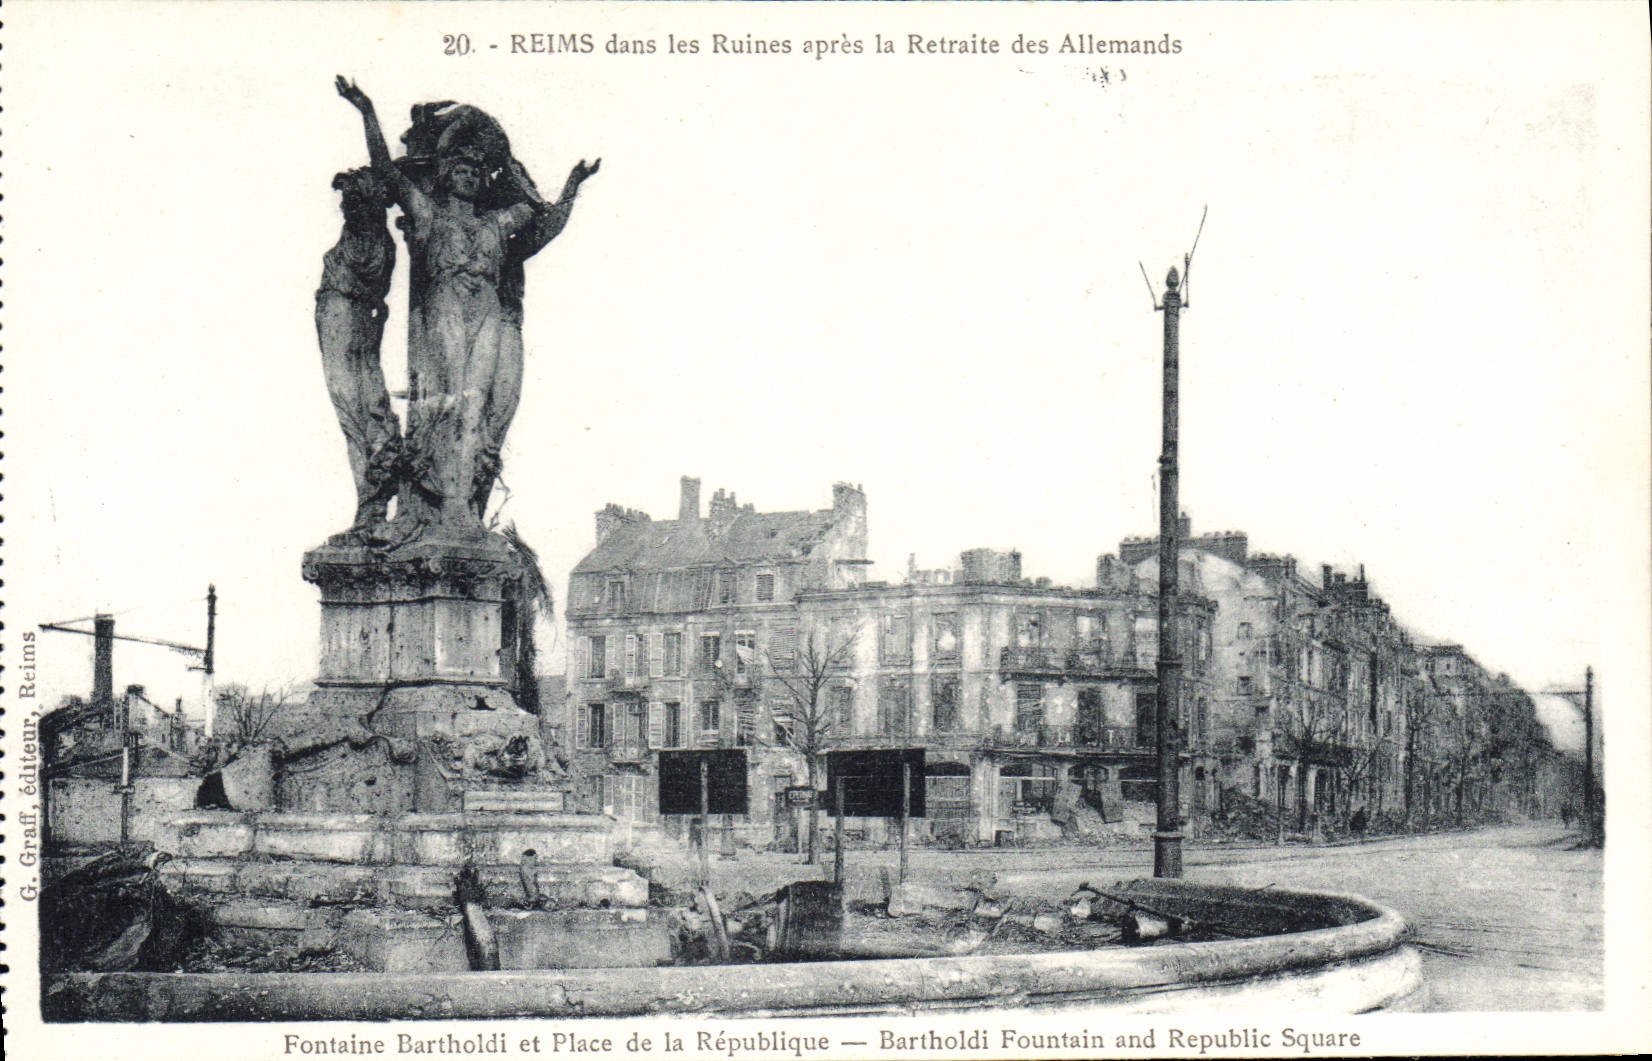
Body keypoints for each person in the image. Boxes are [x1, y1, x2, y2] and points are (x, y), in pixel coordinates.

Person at [335, 76, 599, 527]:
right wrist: (366, 111)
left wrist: (572, 185)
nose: (470, 176)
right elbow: (387, 169)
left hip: (487, 314)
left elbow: (542, 216)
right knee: (454, 399)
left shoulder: (497, 223)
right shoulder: (427, 212)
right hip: (444, 307)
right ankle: (445, 500)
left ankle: (459, 499)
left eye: (477, 172)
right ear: (445, 174)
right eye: (461, 169)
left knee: (477, 404)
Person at [315, 166, 401, 530]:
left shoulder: (373, 242)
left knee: (358, 409)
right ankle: (370, 497)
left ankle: (374, 494)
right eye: (347, 203)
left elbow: (367, 286)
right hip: (338, 320)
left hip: (348, 321)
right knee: (353, 411)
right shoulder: (359, 236)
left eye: (356, 202)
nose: (348, 210)